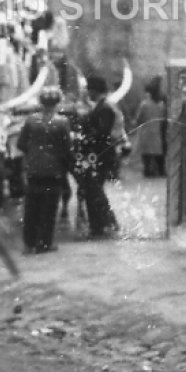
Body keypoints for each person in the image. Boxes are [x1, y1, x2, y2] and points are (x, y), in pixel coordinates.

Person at [17, 86, 72, 254]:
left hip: (34, 170)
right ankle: (44, 243)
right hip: (53, 171)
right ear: (57, 103)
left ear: (41, 102)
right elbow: (66, 148)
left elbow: (20, 143)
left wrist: (33, 154)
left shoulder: (30, 120)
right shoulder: (62, 122)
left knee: (31, 207)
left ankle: (28, 243)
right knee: (49, 208)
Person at [71, 74, 119, 239]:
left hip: (99, 155)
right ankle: (104, 223)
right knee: (95, 189)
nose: (87, 94)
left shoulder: (104, 108)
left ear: (94, 91)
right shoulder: (101, 106)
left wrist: (84, 138)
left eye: (89, 90)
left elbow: (102, 132)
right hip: (98, 154)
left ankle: (101, 225)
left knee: (94, 190)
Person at [133, 81, 167, 178]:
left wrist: (135, 123)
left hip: (146, 131)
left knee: (146, 152)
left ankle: (147, 170)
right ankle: (160, 170)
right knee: (158, 151)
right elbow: (163, 119)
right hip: (157, 131)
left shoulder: (144, 104)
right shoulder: (161, 105)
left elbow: (139, 118)